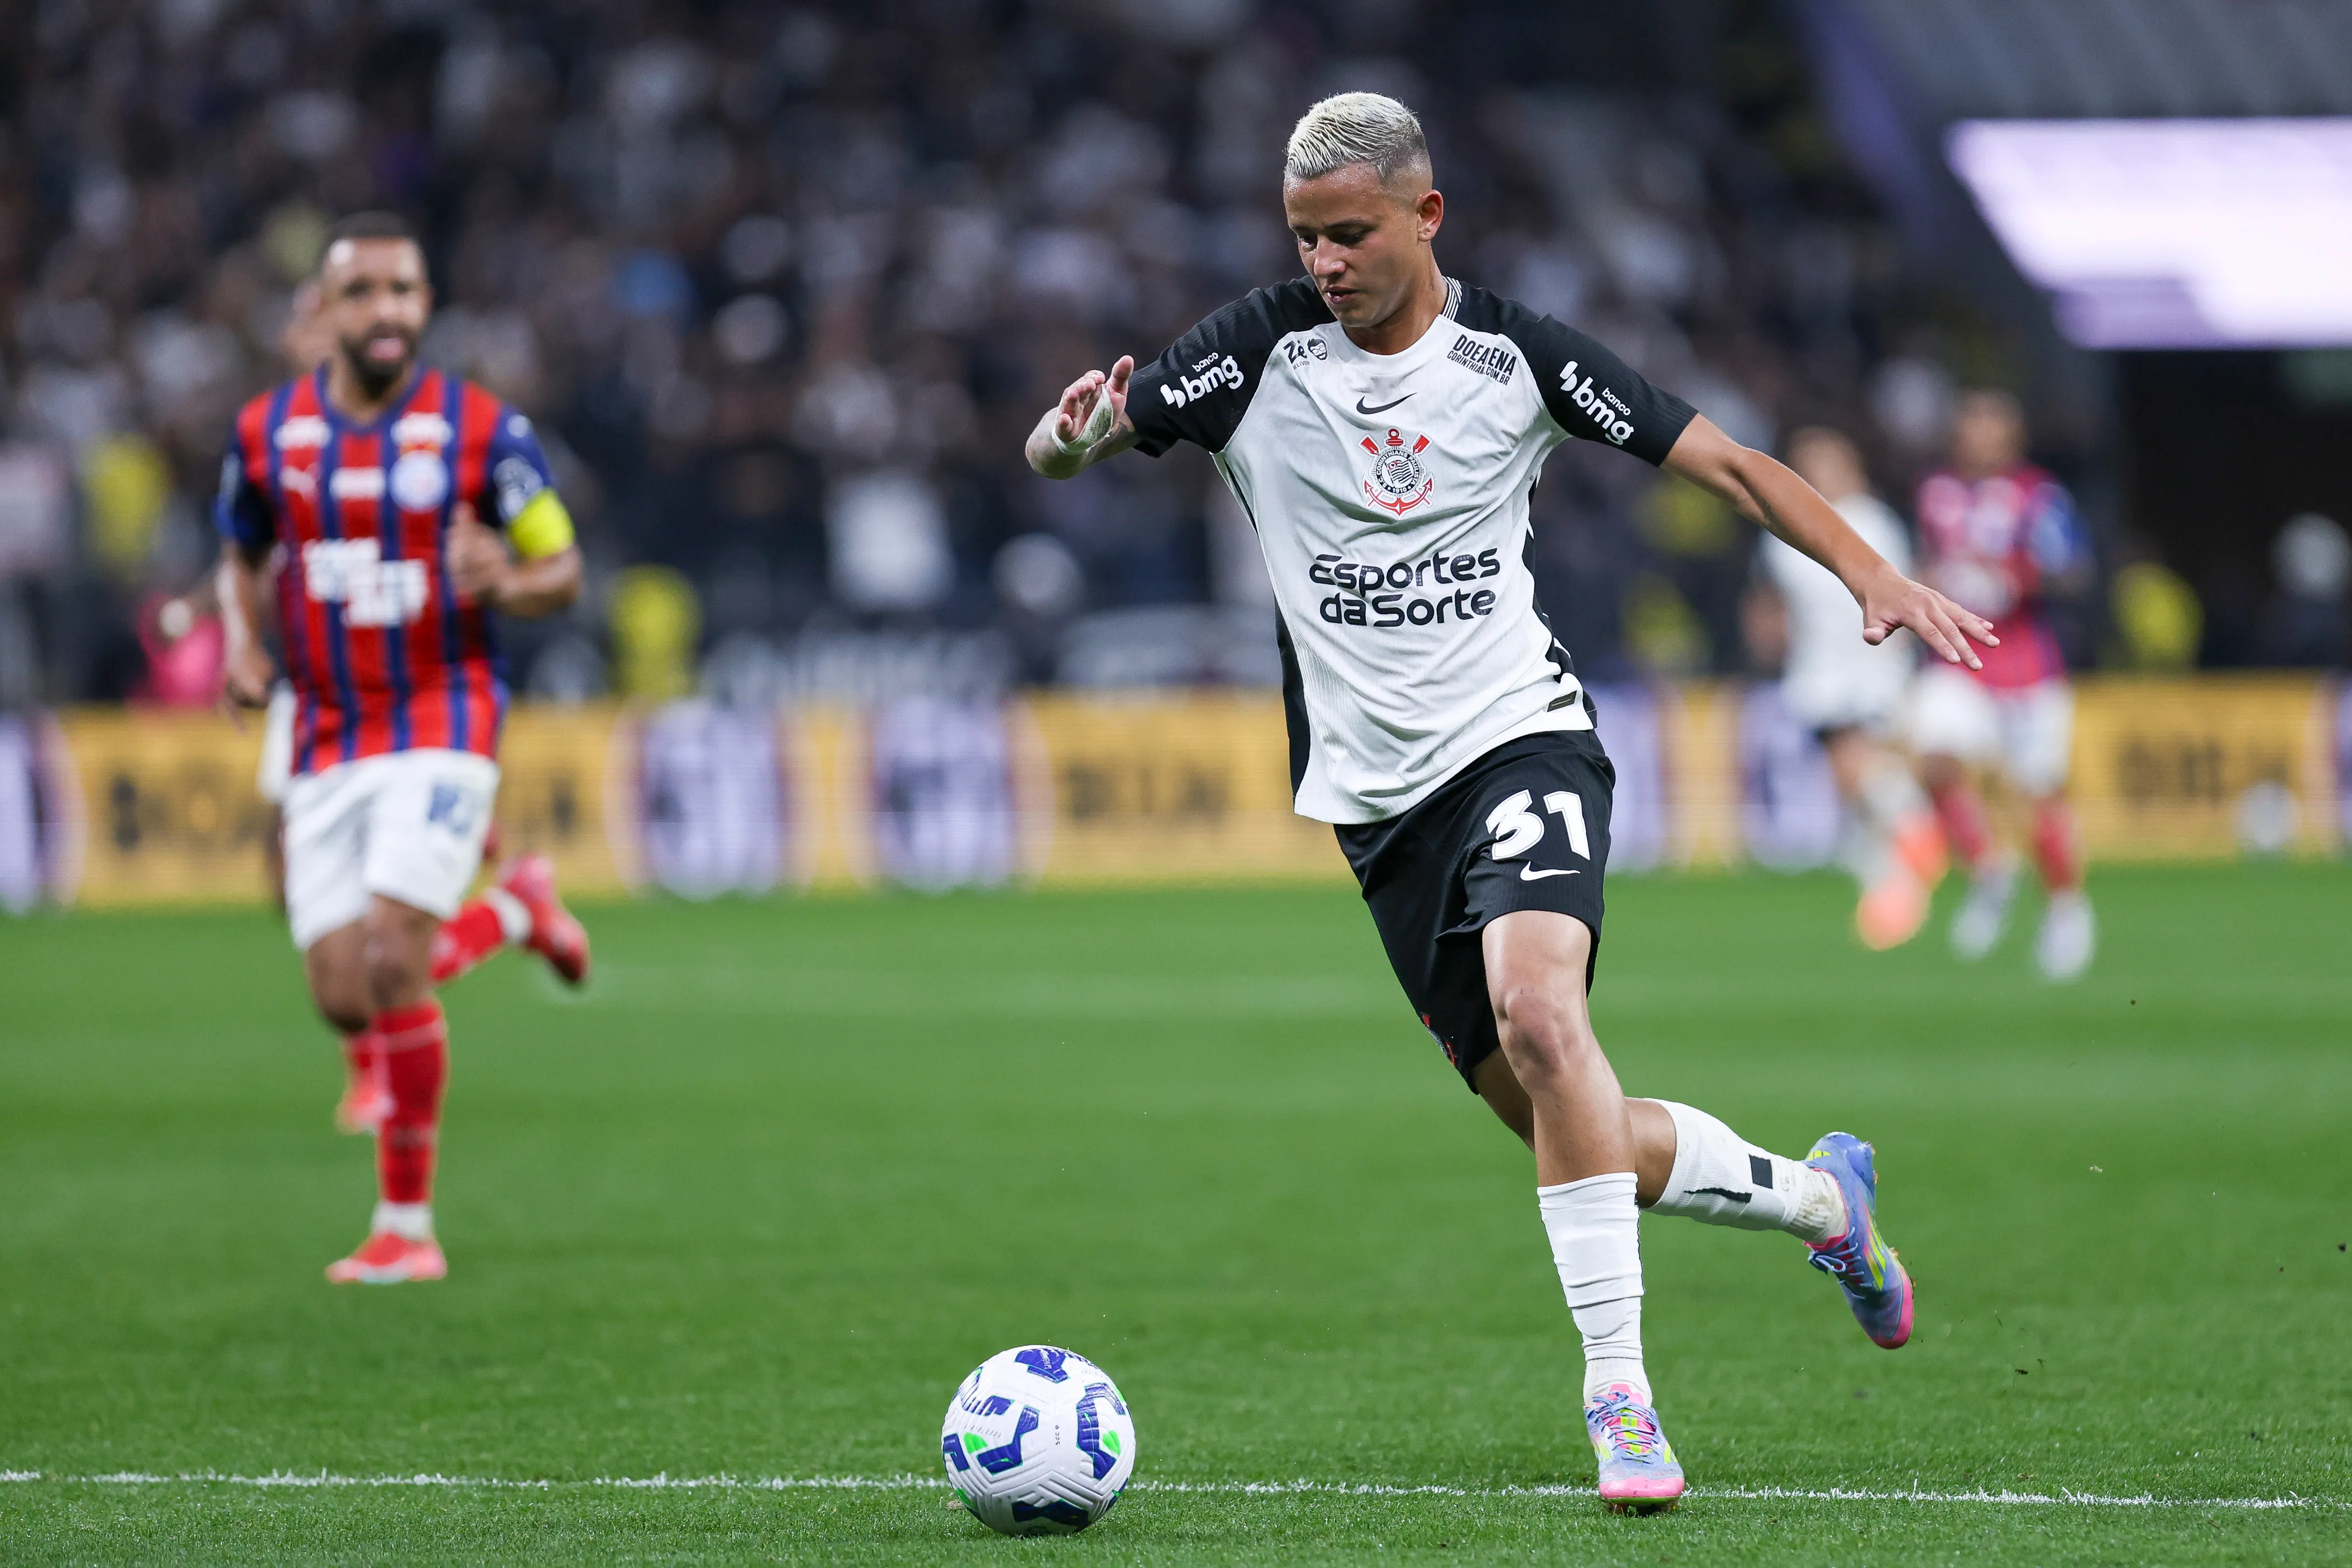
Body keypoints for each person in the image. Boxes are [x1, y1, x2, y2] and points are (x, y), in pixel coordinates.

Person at [1024, 94, 1996, 1512]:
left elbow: (1722, 460)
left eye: (1350, 233)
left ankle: (1623, 1402)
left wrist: (1869, 572)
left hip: (1521, 739)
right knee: (1565, 1114)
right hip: (1379, 808)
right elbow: (1078, 447)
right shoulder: (1245, 357)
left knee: (1549, 1020)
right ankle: (1823, 1204)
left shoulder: (1517, 357)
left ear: (1426, 217)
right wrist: (1068, 440)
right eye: (1305, 238)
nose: (1326, 263)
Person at [216, 212, 587, 1284]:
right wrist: (244, 649)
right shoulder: (266, 433)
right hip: (327, 727)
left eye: (406, 292)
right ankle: (518, 909)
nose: (389, 312)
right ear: (323, 312)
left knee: (391, 959)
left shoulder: (482, 430)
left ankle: (405, 1231)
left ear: (425, 306)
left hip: (443, 712)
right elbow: (239, 554)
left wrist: (505, 581)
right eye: (366, 292)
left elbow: (561, 566)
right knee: (343, 991)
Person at [1908, 390, 2094, 979]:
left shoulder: (2038, 495)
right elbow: (1923, 560)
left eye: (1992, 426)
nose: (1979, 436)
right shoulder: (1935, 491)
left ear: (2013, 436)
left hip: (2025, 666)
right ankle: (1989, 870)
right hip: (1956, 661)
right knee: (1934, 759)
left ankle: (2066, 908)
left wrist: (2022, 573)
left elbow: (2075, 570)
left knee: (2039, 797)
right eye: (1971, 424)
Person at [1764, 428, 1945, 948]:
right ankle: (1893, 883)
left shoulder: (1872, 523)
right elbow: (1780, 601)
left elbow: (1901, 587)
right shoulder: (1785, 528)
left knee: (1857, 768)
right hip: (1816, 669)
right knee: (1848, 784)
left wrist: (1897, 659)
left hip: (1865, 663)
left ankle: (1917, 831)